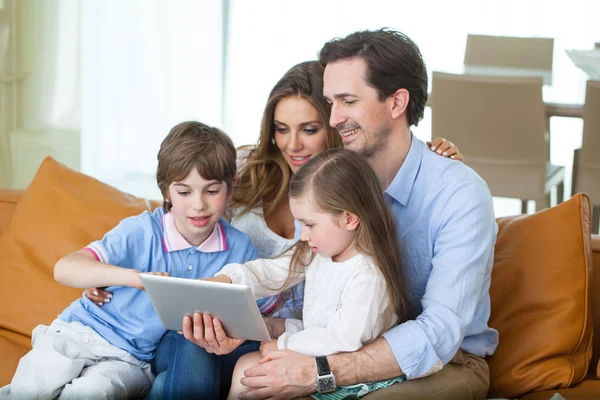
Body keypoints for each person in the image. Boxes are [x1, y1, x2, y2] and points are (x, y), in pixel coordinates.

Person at [84, 62, 462, 399]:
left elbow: (340, 337)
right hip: (258, 327)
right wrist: (111, 270)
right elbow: (186, 193)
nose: (292, 145)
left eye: (309, 129)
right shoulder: (249, 174)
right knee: (193, 341)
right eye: (281, 129)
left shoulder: (355, 196)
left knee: (190, 373)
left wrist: (434, 157)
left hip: (300, 345)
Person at [221, 29, 498, 400]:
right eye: (330, 102)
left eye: (348, 101)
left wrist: (318, 372)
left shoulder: (458, 194)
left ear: (397, 102)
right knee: (250, 380)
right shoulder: (331, 183)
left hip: (445, 362)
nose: (334, 119)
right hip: (342, 348)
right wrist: (253, 325)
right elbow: (301, 278)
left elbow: (439, 333)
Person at [0, 121, 276, 400]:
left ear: (230, 188)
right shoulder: (141, 231)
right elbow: (64, 269)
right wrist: (133, 279)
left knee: (92, 393)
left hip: (131, 361)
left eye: (211, 191)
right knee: (32, 387)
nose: (198, 204)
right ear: (166, 191)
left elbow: (263, 315)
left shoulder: (239, 248)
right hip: (78, 333)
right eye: (184, 192)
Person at [212, 148, 412, 400]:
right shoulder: (318, 251)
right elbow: (273, 272)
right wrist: (227, 280)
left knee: (257, 375)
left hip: (342, 370)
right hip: (314, 349)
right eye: (300, 224)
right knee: (246, 368)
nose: (303, 235)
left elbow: (340, 339)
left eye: (310, 224)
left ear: (349, 219)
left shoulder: (367, 275)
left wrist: (284, 344)